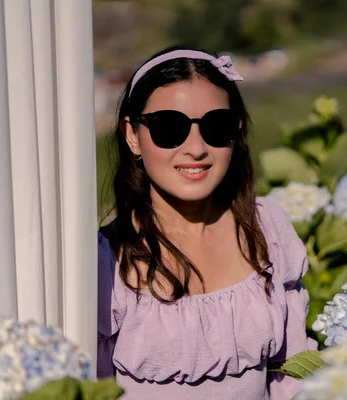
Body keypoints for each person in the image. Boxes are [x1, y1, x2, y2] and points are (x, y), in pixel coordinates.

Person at [97, 46, 317, 399]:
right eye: (170, 128)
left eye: (217, 126)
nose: (196, 148)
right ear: (132, 135)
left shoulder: (268, 231)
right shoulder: (107, 262)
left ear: (237, 130)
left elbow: (292, 378)